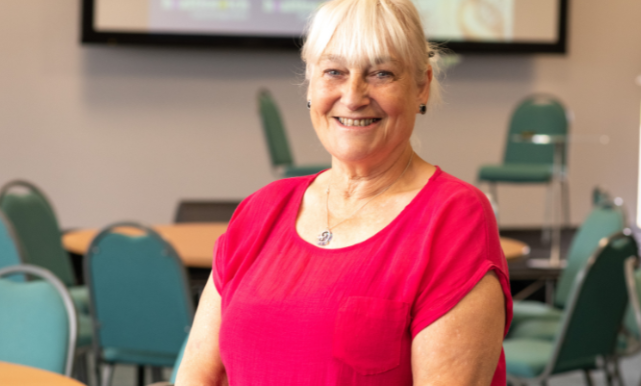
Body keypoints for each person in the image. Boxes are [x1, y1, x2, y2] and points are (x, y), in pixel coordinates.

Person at [175, 0, 512, 384]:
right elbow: (197, 378)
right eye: (334, 71)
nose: (353, 96)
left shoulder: (453, 219)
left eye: (381, 74)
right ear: (310, 83)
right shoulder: (260, 211)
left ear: (421, 85)